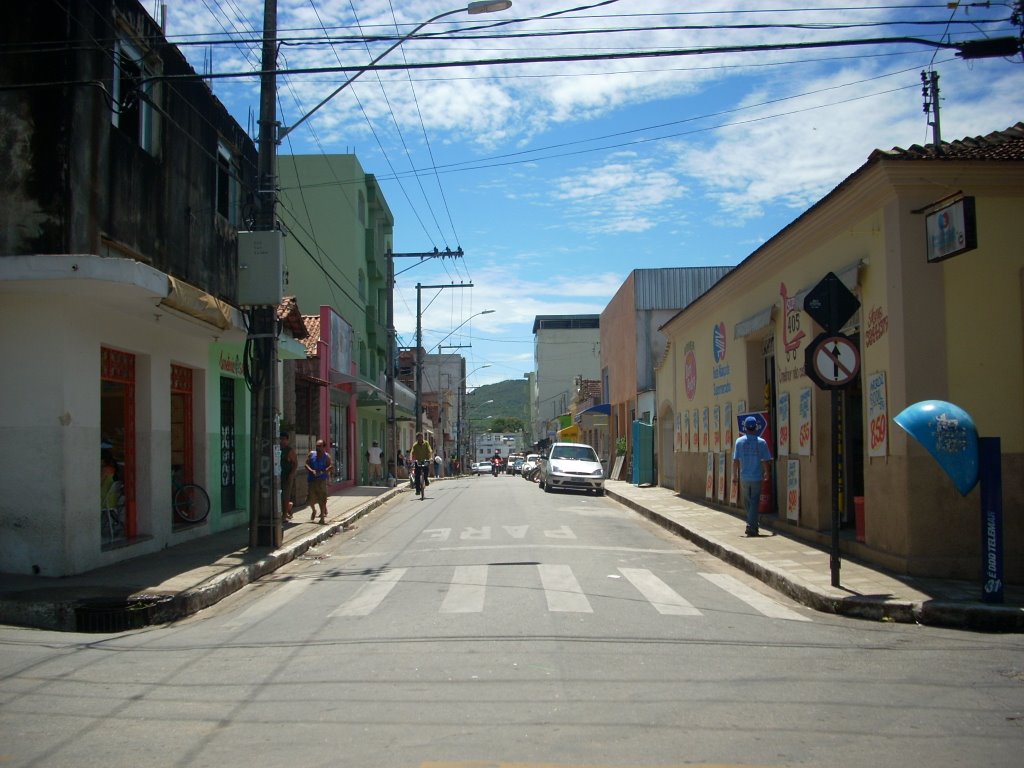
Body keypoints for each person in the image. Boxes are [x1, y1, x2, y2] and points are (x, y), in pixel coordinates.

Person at [732, 416, 772, 537]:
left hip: (744, 477)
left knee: (748, 502)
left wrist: (734, 475)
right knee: (753, 502)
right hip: (756, 477)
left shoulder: (739, 442)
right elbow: (765, 460)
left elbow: (736, 460)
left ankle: (751, 526)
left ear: (745, 428)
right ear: (756, 427)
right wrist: (767, 472)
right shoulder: (761, 442)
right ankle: (752, 526)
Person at [305, 439, 333, 524]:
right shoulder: (312, 454)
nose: (318, 448)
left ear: (324, 447)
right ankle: (314, 510)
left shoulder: (326, 456)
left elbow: (331, 466)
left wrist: (324, 471)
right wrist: (311, 470)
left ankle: (322, 518)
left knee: (322, 498)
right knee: (311, 500)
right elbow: (306, 464)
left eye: (320, 446)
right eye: (317, 446)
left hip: (321, 480)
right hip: (312, 480)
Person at [279, 432, 297, 521]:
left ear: (287, 440)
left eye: (283, 439)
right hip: (278, 477)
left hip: (287, 477)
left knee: (285, 496)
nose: (281, 441)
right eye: (280, 439)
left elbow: (295, 464)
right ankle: (289, 507)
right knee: (279, 496)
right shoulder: (277, 449)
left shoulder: (289, 451)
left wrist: (291, 475)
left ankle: (284, 515)